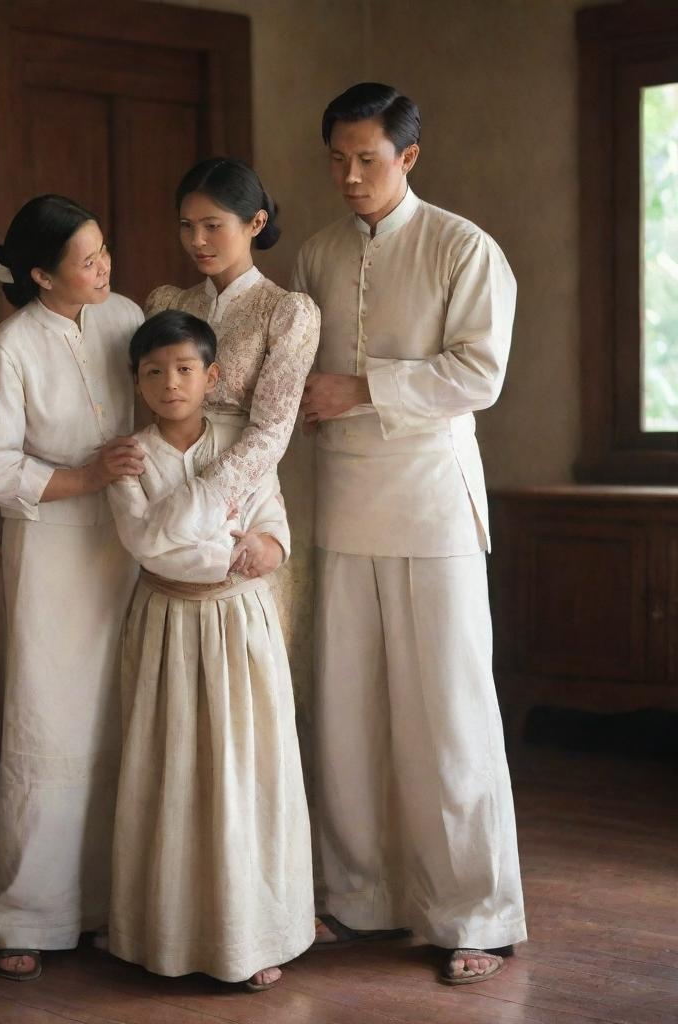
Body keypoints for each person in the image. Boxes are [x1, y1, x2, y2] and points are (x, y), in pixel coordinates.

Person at [293, 82, 527, 985]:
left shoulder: (463, 247)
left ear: (409, 158)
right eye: (338, 161)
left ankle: (476, 913)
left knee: (449, 710)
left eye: (368, 159)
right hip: (344, 502)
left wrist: (361, 388)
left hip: (434, 503)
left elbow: (481, 372)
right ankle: (358, 896)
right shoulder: (314, 253)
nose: (350, 177)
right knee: (349, 709)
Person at [106, 310, 315, 992]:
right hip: (170, 628)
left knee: (247, 771)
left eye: (186, 369)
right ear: (137, 382)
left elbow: (270, 511)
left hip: (241, 629)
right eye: (154, 372)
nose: (171, 384)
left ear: (212, 376)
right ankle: (164, 933)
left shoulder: (242, 443)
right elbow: (148, 544)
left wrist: (267, 544)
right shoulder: (130, 457)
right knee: (174, 770)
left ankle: (258, 934)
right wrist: (224, 543)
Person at [0, 194, 144, 982]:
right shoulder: (9, 349)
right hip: (50, 549)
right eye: (86, 258)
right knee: (48, 718)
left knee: (122, 714)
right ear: (42, 274)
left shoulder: (129, 318)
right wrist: (81, 476)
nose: (104, 266)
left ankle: (117, 904)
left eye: (104, 249)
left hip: (133, 542)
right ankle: (31, 915)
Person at [145, 157, 320, 579]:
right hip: (166, 470)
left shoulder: (285, 312)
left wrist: (204, 496)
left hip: (242, 491)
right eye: (186, 226)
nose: (197, 240)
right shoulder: (169, 304)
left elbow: (273, 430)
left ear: (255, 223)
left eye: (212, 225)